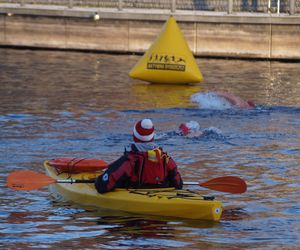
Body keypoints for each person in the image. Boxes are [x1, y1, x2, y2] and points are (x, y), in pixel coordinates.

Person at [95, 119, 183, 193]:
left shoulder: (129, 161)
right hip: (160, 196)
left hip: (136, 195)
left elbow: (102, 186)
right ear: (152, 137)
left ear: (134, 137)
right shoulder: (165, 158)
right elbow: (178, 184)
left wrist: (98, 180)